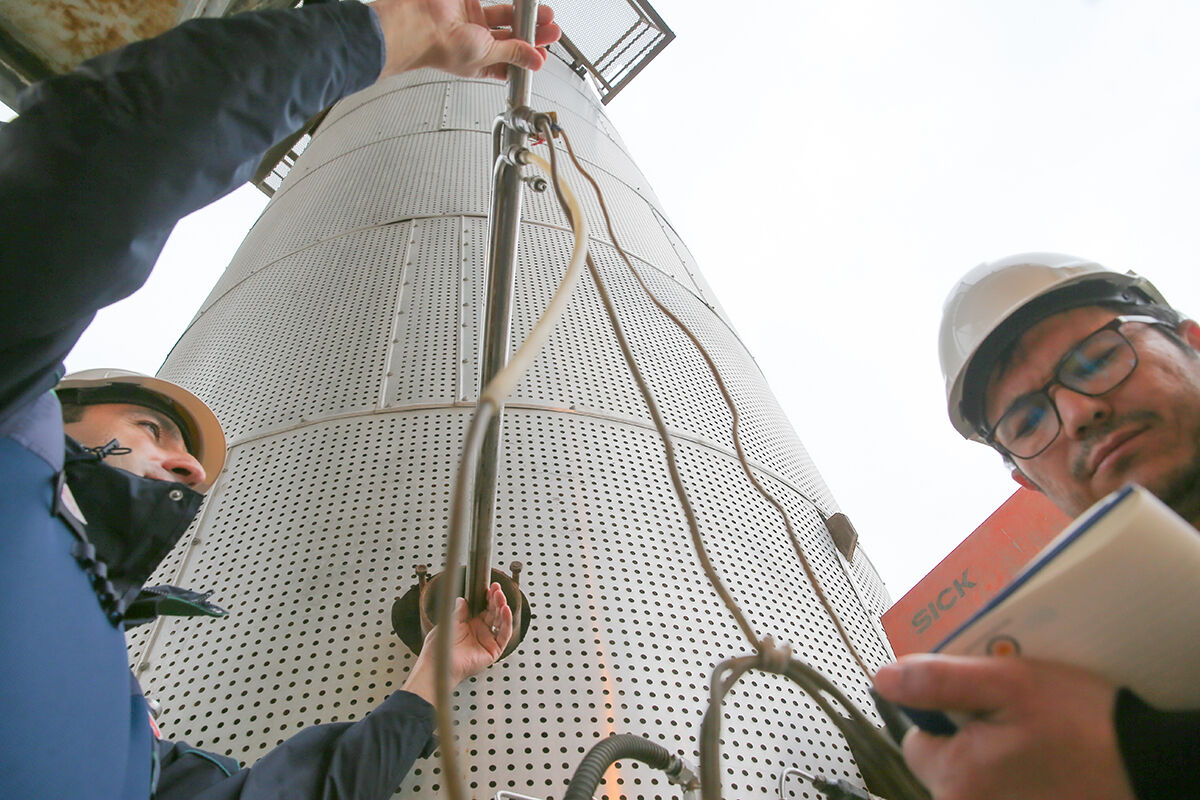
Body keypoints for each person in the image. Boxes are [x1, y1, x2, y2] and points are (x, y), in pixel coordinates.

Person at [0, 1, 558, 798]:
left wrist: (429, 684)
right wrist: (382, 33)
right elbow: (93, 172)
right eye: (151, 425)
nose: (189, 464)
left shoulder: (121, 723)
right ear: (51, 414)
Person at [873, 252, 1200, 800]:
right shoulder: (1103, 664)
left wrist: (1153, 760)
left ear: (1192, 342)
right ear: (1030, 481)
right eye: (1027, 421)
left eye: (1095, 360)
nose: (1075, 414)